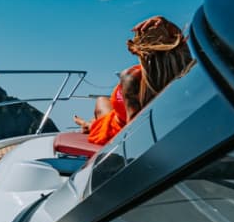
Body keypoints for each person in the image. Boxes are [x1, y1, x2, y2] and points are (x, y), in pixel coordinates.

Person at [74, 15, 194, 146]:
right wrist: (169, 26)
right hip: (119, 116)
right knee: (103, 102)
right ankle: (90, 124)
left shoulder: (131, 77)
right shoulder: (184, 68)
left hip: (118, 126)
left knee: (101, 103)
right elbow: (181, 47)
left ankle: (89, 125)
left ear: (139, 51)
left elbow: (133, 132)